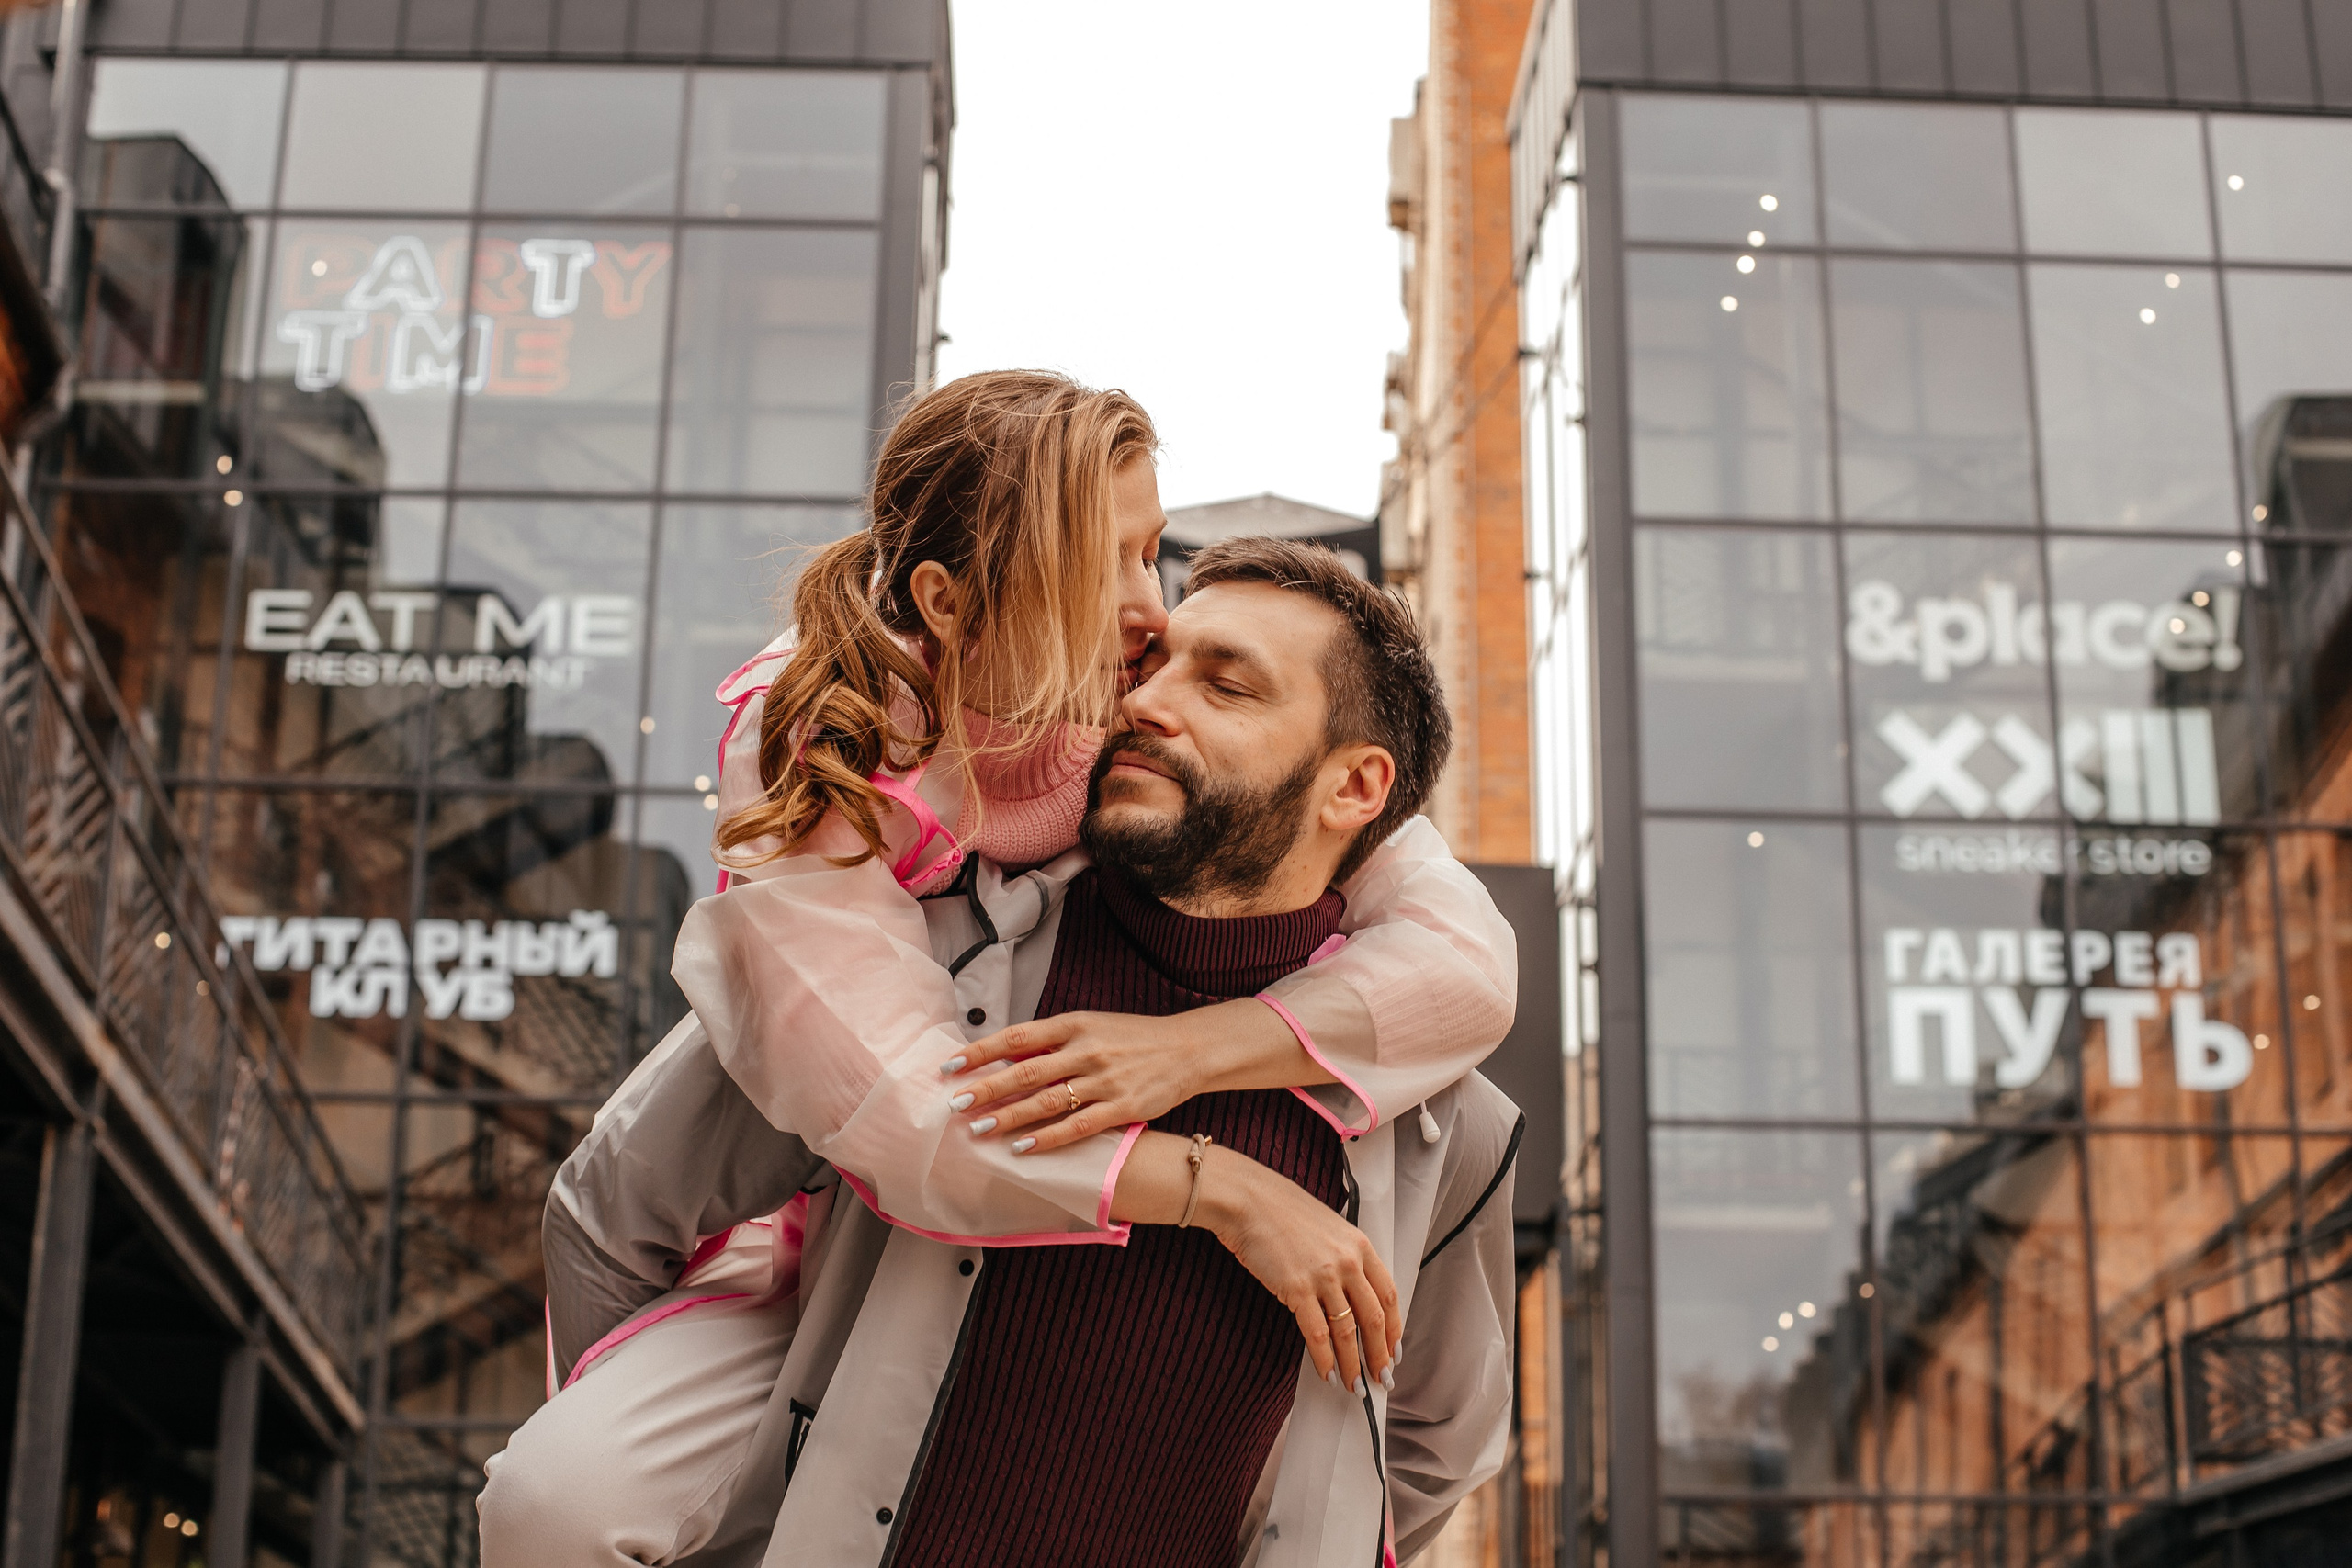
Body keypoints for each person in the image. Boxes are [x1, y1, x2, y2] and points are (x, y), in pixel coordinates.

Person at [481, 539, 1522, 1567]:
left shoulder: (1444, 1124)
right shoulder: (912, 964)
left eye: (1226, 686)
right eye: (1151, 664)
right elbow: (615, 1209)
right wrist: (673, 1478)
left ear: (1355, 789)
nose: (1147, 701)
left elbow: (1435, 1443)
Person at [651, 370, 1515, 1339]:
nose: (1151, 612)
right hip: (750, 1204)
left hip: (903, 1229)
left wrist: (1185, 1054)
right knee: (567, 1495)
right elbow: (900, 1106)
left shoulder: (1136, 708)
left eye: (1150, 554)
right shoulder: (831, 737)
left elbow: (1464, 958)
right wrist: (1225, 1190)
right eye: (1098, 566)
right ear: (947, 602)